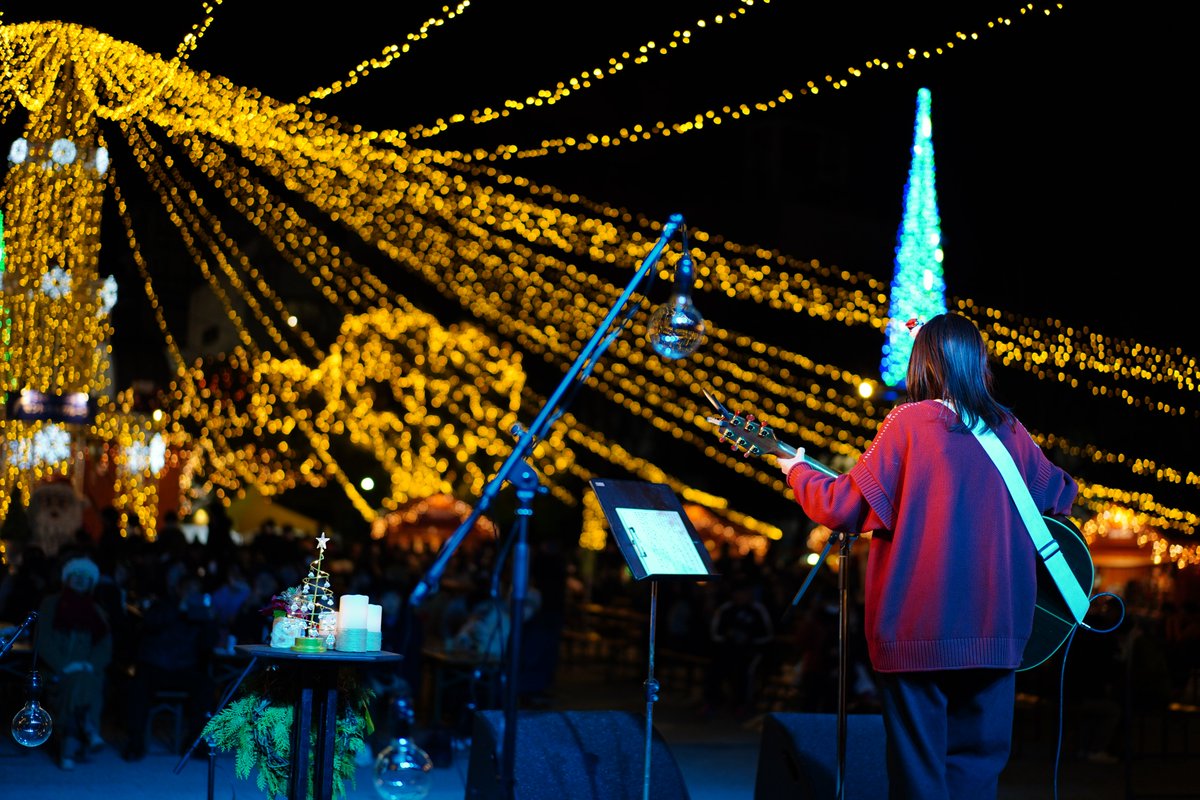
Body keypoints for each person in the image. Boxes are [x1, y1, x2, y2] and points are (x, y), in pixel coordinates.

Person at [775, 312, 1078, 800]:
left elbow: (842, 507)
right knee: (977, 776)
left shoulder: (908, 423)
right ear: (977, 362)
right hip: (998, 632)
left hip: (918, 630)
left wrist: (796, 470)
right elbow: (1061, 493)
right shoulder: (1010, 430)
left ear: (923, 362)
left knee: (919, 775)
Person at [35, 555, 113, 770]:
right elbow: (43, 640)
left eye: (85, 577)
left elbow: (104, 646)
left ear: (91, 583)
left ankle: (67, 750)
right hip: (56, 669)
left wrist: (89, 664)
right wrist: (64, 665)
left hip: (87, 670)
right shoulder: (51, 604)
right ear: (67, 579)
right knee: (79, 684)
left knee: (81, 682)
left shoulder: (97, 610)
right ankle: (88, 729)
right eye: (76, 575)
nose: (80, 579)